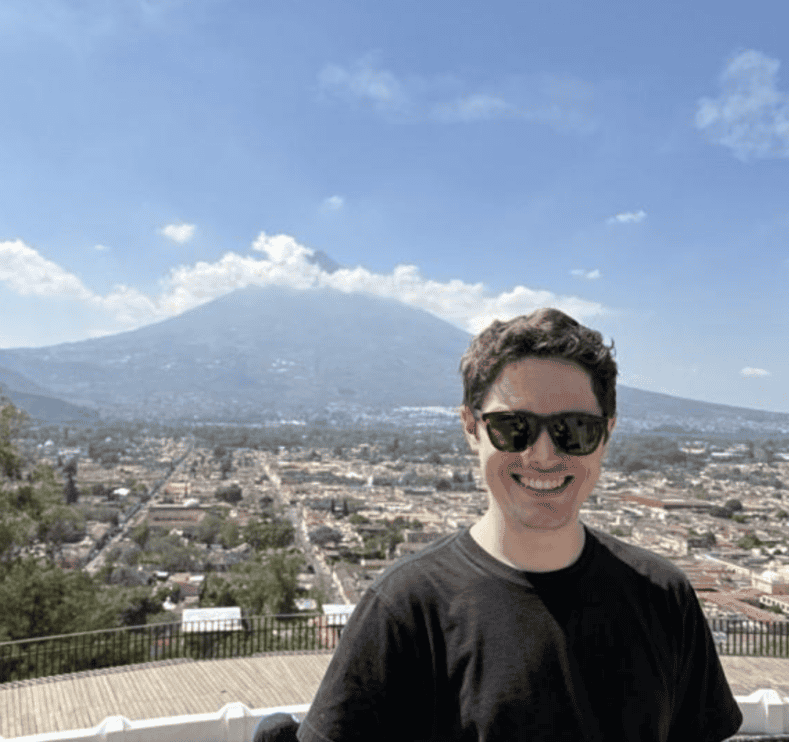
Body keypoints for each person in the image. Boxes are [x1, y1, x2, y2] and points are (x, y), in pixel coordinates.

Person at [297, 308, 743, 742]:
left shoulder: (664, 596)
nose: (543, 455)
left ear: (607, 434)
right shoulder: (403, 610)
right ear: (470, 428)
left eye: (574, 429)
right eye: (514, 427)